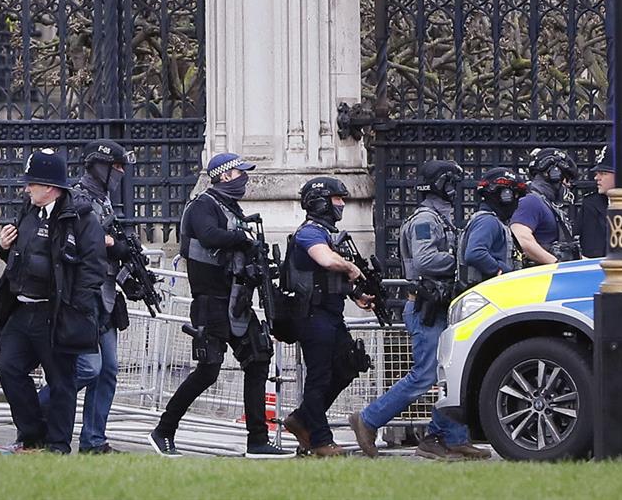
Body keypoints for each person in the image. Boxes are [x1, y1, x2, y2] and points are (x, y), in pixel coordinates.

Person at [349, 161, 490, 461]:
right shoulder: (426, 219)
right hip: (427, 308)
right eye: (452, 181)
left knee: (452, 373)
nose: (456, 188)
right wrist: (461, 263)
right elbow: (426, 261)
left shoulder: (441, 218)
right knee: (425, 375)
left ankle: (451, 438)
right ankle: (368, 419)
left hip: (440, 306)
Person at [151, 153, 289, 458]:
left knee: (257, 360)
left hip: (237, 300)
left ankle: (257, 440)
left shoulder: (232, 209)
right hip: (211, 303)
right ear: (224, 175)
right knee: (208, 371)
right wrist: (241, 238)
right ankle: (163, 431)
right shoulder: (203, 205)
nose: (245, 179)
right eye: (241, 173)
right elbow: (210, 235)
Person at [0, 149, 106, 454]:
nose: (26, 189)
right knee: (9, 368)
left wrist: (73, 307)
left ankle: (57, 446)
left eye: (31, 184)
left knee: (61, 381)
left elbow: (93, 266)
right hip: (22, 308)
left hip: (56, 311)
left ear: (49, 187)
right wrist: (3, 246)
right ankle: (32, 433)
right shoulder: (28, 209)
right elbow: (20, 257)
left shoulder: (81, 217)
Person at [36, 140, 133, 454]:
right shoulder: (76, 196)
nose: (120, 174)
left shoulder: (103, 200)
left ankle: (93, 440)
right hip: (83, 295)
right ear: (101, 166)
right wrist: (106, 242)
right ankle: (34, 411)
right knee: (87, 368)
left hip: (104, 294)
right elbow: (67, 237)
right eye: (116, 167)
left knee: (108, 370)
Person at [281, 177, 375, 457]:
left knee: (348, 365)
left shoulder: (328, 232)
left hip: (330, 314)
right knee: (319, 377)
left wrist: (356, 294)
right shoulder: (310, 232)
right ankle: (320, 440)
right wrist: (350, 268)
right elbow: (325, 260)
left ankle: (302, 419)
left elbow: (325, 277)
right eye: (337, 199)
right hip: (312, 316)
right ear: (320, 202)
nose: (342, 204)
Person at [510, 148, 579, 265]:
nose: (568, 185)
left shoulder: (547, 204)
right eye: (567, 179)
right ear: (555, 174)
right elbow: (522, 240)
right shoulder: (531, 201)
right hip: (537, 279)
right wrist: (556, 264)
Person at [459, 168, 527, 286]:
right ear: (504, 195)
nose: (516, 202)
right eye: (513, 195)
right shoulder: (488, 221)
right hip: (485, 293)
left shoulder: (494, 221)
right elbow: (475, 253)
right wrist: (502, 272)